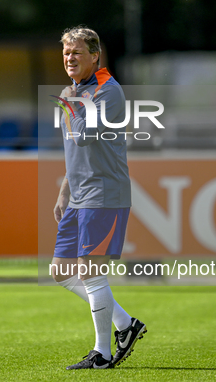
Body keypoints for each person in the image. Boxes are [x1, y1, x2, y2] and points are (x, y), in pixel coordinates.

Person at [50, 26, 147, 370]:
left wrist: (71, 101)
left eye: (76, 53)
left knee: (91, 271)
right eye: (65, 53)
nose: (69, 58)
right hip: (79, 195)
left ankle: (102, 354)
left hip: (104, 192)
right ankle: (126, 325)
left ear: (95, 56)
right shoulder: (74, 92)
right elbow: (72, 152)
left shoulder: (109, 91)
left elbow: (85, 138)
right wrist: (65, 190)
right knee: (61, 272)